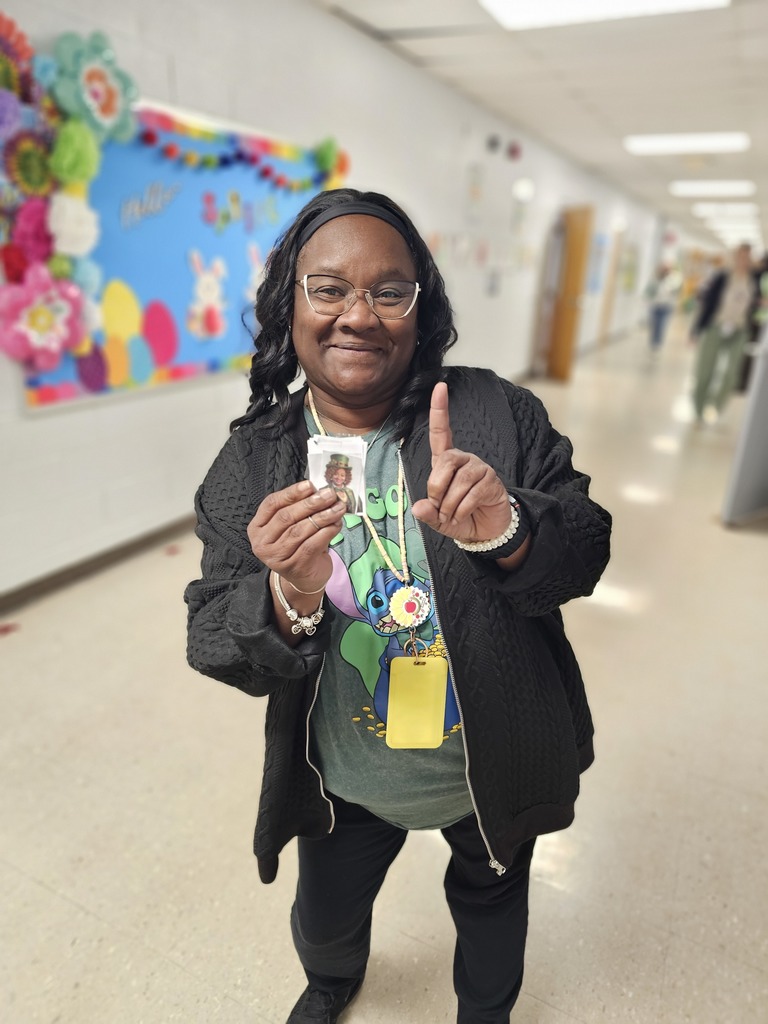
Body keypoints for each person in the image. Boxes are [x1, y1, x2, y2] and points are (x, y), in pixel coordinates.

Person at [184, 188, 612, 1024]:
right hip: (344, 776)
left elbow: (587, 543)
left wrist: (510, 531)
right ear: (290, 304)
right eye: (329, 288)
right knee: (325, 918)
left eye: (389, 290)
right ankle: (333, 982)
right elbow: (210, 636)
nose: (358, 315)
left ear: (421, 308)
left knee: (491, 915)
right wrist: (287, 592)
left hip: (490, 763)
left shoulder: (494, 412)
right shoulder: (255, 462)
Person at [689, 242, 757, 421]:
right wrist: (695, 331)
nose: (743, 260)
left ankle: (715, 406)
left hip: (740, 331)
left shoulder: (755, 280)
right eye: (740, 256)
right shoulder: (721, 277)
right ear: (735, 258)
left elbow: (755, 305)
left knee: (731, 375)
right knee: (705, 371)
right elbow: (708, 304)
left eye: (747, 257)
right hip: (716, 327)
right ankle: (699, 409)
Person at [645, 262, 681, 351]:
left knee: (661, 325)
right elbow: (649, 291)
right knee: (654, 324)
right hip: (655, 305)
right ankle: (653, 341)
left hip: (666, 306)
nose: (664, 270)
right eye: (663, 268)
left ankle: (658, 343)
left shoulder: (673, 279)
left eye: (666, 269)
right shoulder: (655, 279)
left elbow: (676, 290)